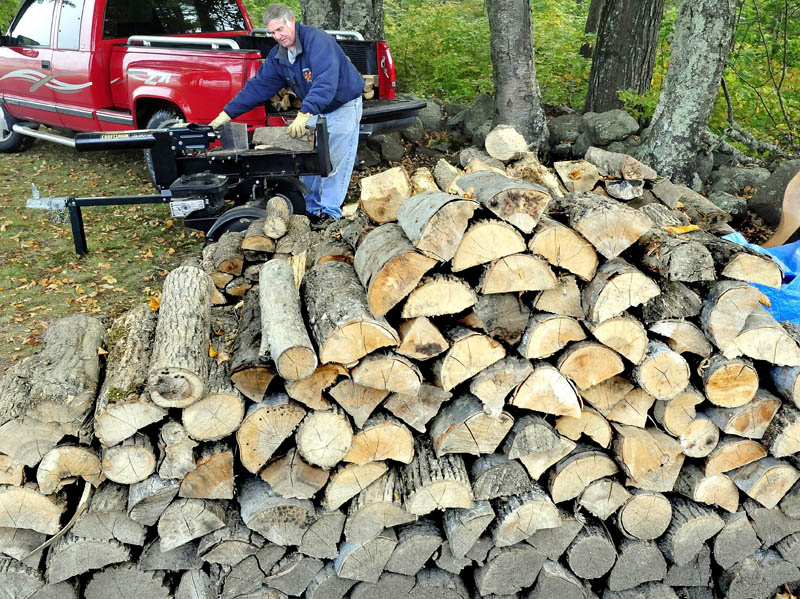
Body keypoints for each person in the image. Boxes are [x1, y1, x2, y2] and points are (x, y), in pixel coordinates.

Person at [209, 3, 364, 225]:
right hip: (315, 108)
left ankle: (330, 214)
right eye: (272, 32)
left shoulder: (318, 41)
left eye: (280, 30)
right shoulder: (279, 55)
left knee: (335, 161)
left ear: (291, 21)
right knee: (311, 161)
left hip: (342, 105)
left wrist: (305, 112)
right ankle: (310, 211)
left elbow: (325, 82)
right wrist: (226, 114)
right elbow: (259, 86)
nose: (277, 36)